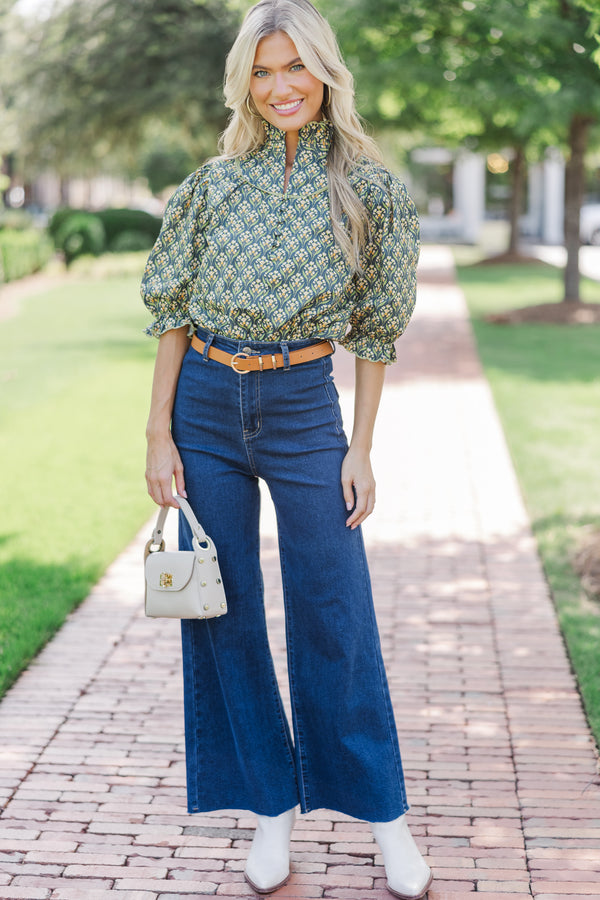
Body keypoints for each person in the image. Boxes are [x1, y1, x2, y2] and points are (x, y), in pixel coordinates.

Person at [142, 1, 431, 896]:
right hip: (204, 408)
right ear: (246, 82)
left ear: (325, 72)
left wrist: (363, 447)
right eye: (262, 72)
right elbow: (173, 315)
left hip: (306, 404)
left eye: (293, 68)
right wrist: (158, 432)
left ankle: (384, 816)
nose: (279, 87)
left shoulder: (371, 191)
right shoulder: (211, 186)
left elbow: (378, 332)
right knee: (220, 613)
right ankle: (269, 812)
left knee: (333, 606)